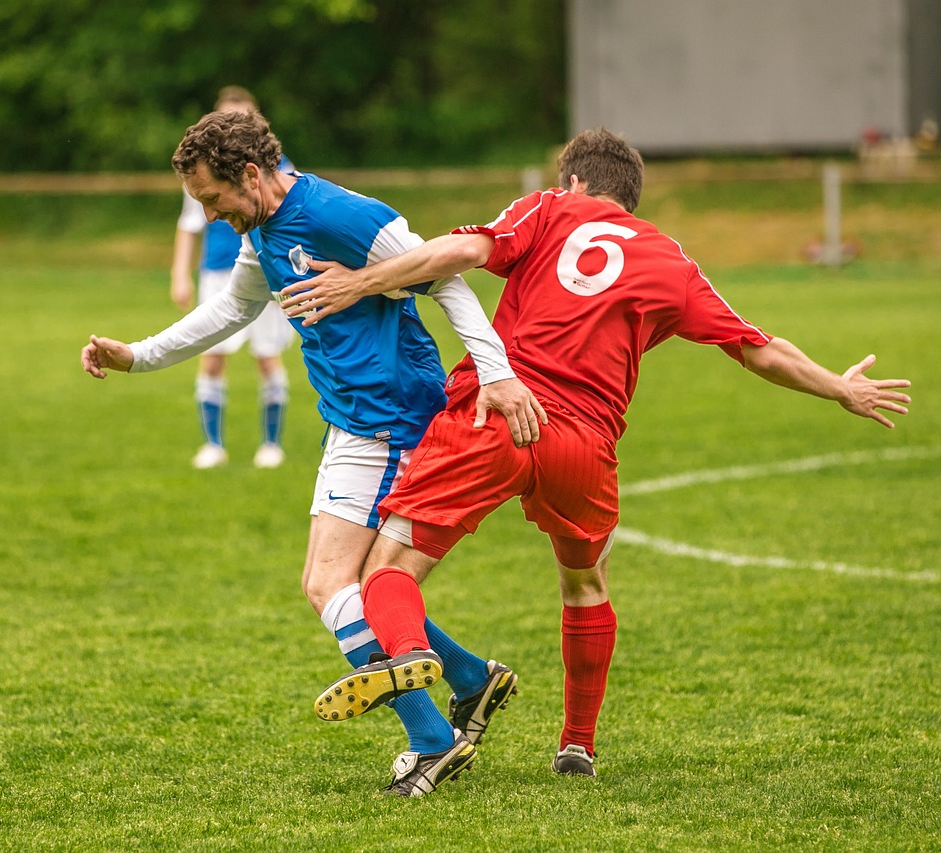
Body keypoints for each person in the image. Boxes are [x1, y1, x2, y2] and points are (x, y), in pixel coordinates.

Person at [279, 127, 912, 778]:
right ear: (629, 199)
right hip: (585, 447)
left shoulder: (547, 207)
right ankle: (577, 743)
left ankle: (407, 653)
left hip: (499, 412)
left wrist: (363, 280)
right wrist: (839, 387)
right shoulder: (671, 261)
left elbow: (462, 250)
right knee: (584, 583)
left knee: (390, 567)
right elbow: (759, 348)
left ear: (573, 181)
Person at [83, 110, 532, 796]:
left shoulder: (342, 214)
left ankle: (431, 738)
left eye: (212, 198)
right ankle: (470, 678)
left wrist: (495, 372)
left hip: (388, 417)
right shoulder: (262, 227)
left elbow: (446, 279)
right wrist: (137, 356)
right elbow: (232, 309)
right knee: (341, 584)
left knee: (330, 584)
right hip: (350, 419)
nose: (208, 215)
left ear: (253, 175)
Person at [170, 86, 296, 469]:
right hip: (218, 272)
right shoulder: (201, 170)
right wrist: (180, 274)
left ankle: (271, 444)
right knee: (211, 357)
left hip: (267, 272)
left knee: (267, 356)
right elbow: (189, 225)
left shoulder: (280, 168)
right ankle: (213, 445)